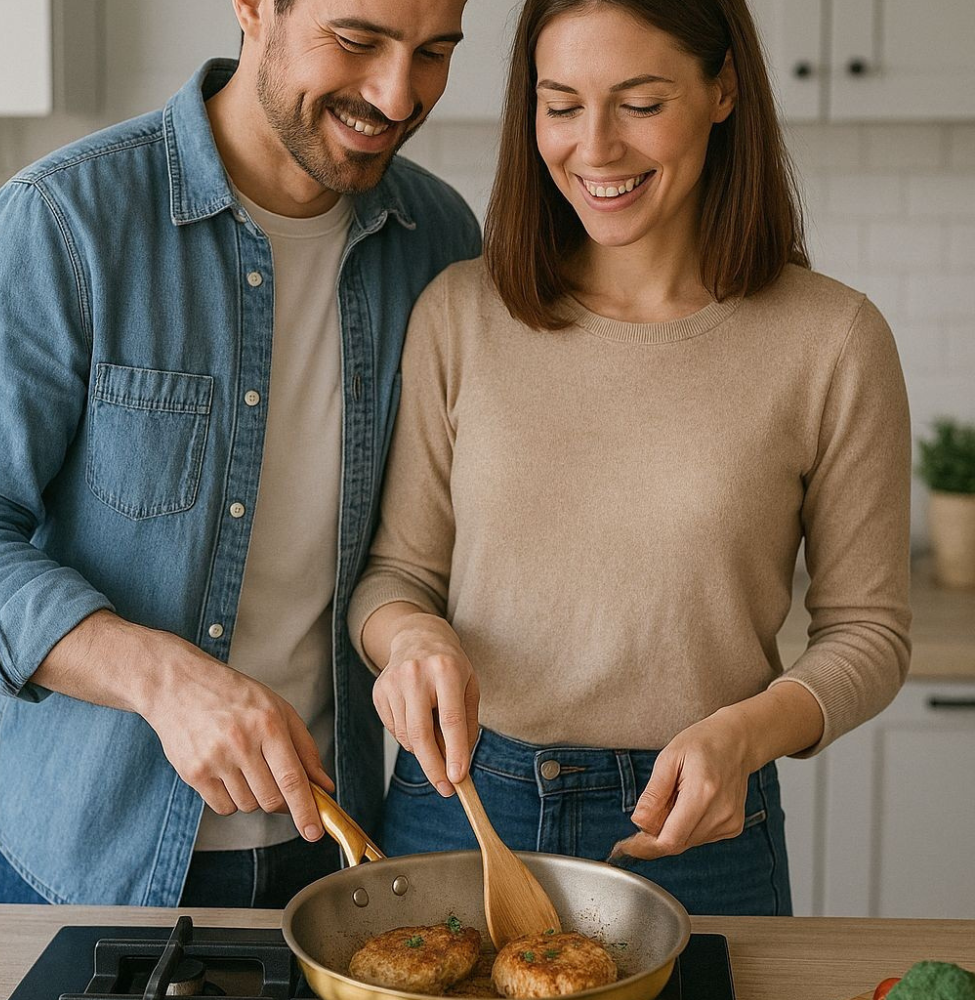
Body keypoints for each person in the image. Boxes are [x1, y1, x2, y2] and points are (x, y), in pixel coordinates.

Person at [347, 0, 911, 916]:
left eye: (640, 103)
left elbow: (869, 634)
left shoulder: (832, 339)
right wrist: (411, 639)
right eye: (561, 105)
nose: (595, 147)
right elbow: (394, 575)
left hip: (698, 833)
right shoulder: (460, 312)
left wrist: (744, 734)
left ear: (724, 90)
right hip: (459, 810)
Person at [0, 0, 478, 907]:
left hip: (339, 859)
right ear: (252, 8)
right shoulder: (65, 223)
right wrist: (162, 679)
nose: (397, 94)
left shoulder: (440, 245)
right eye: (358, 41)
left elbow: (428, 545)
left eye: (434, 52)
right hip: (92, 863)